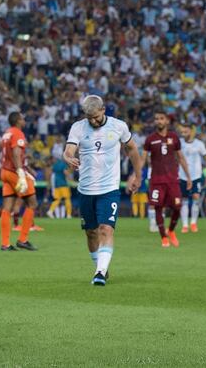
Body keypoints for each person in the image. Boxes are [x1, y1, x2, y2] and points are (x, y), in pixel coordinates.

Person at [63, 96, 142, 286]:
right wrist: (68, 158)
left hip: (109, 189)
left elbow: (132, 150)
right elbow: (68, 150)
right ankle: (101, 267)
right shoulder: (78, 127)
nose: (93, 121)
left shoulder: (119, 126)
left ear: (104, 109)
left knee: (106, 229)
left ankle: (100, 272)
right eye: (89, 118)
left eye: (96, 117)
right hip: (86, 189)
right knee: (91, 233)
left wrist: (137, 176)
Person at [141, 110, 192, 248]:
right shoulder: (150, 139)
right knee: (158, 207)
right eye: (156, 118)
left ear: (167, 121)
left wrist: (188, 176)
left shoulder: (174, 137)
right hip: (157, 180)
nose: (158, 121)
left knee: (177, 206)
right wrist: (137, 175)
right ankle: (163, 237)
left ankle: (171, 231)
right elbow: (143, 157)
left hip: (172, 180)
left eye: (161, 118)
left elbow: (180, 157)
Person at [0, 112, 38, 251]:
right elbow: (15, 153)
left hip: (5, 171)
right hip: (14, 171)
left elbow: (5, 153)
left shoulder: (6, 133)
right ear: (17, 120)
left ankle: (5, 243)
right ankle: (23, 239)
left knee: (7, 207)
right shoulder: (18, 133)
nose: (24, 120)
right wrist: (20, 171)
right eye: (22, 118)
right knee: (32, 203)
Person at [177, 123, 206, 233]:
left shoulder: (199, 144)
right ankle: (185, 225)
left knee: (196, 197)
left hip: (196, 175)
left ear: (191, 131)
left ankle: (193, 223)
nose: (183, 134)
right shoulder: (180, 143)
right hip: (182, 176)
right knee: (184, 200)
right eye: (182, 132)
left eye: (185, 131)